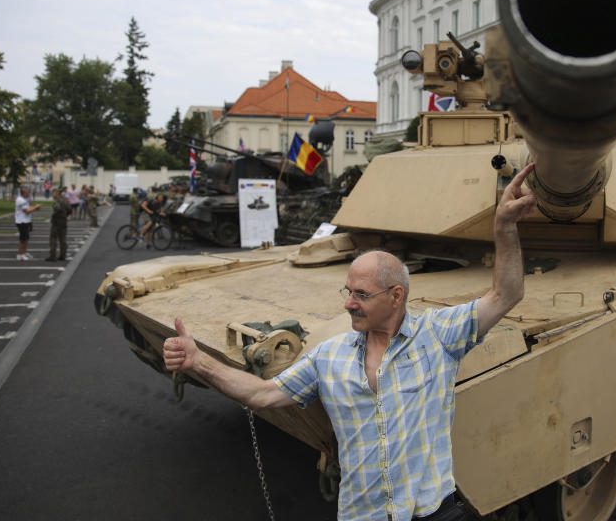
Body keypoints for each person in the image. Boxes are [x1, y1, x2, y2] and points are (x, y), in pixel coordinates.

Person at [163, 164, 538, 521]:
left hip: (431, 511)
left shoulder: (438, 336)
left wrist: (504, 227)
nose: (347, 303)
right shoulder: (330, 356)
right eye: (348, 290)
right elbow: (263, 395)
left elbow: (506, 294)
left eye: (360, 294)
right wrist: (200, 362)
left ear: (395, 297)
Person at [15, 185, 42, 261]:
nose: (29, 193)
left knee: (26, 238)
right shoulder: (21, 200)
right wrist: (36, 207)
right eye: (28, 192)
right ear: (24, 193)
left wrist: (34, 208)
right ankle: (20, 254)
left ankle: (24, 252)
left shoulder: (24, 199)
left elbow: (28, 208)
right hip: (22, 221)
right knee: (23, 239)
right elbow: (26, 211)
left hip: (26, 221)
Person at [46, 187, 69, 261]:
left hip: (56, 222)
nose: (52, 195)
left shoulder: (57, 202)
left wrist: (54, 215)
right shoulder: (64, 201)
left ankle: (53, 255)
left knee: (53, 239)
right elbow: (69, 210)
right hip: (63, 222)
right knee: (63, 239)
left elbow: (57, 209)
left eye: (53, 193)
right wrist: (65, 215)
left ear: (57, 194)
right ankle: (63, 255)